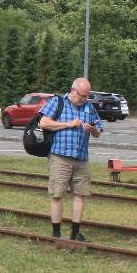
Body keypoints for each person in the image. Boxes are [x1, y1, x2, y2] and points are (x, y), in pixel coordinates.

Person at [38, 77, 103, 241]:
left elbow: (98, 132)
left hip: (81, 158)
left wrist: (92, 129)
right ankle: (56, 234)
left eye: (87, 96)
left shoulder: (89, 107)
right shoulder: (57, 102)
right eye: (82, 95)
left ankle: (75, 233)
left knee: (80, 194)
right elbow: (43, 123)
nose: (84, 99)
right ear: (73, 91)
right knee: (57, 194)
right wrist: (68, 124)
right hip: (60, 156)